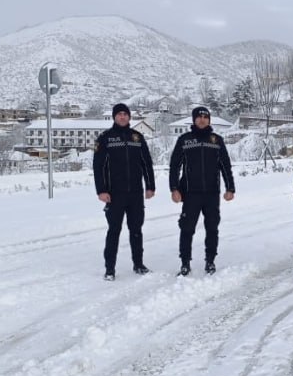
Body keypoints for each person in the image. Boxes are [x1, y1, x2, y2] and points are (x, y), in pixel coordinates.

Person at [169, 106, 236, 276]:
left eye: (205, 117)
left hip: (212, 193)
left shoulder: (216, 140)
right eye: (198, 117)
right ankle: (185, 263)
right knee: (186, 228)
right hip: (191, 193)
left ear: (209, 120)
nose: (202, 119)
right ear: (193, 120)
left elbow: (225, 166)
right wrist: (174, 188)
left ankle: (210, 261)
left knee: (212, 228)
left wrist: (230, 188)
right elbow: (174, 166)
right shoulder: (184, 140)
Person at [94, 102, 155, 280]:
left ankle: (138, 264)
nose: (122, 116)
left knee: (136, 229)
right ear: (114, 117)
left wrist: (150, 186)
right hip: (114, 194)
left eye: (125, 114)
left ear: (129, 117)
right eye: (119, 114)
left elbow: (146, 163)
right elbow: (98, 167)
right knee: (114, 230)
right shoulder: (105, 138)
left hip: (135, 193)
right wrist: (101, 190)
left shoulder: (137, 137)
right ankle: (110, 269)